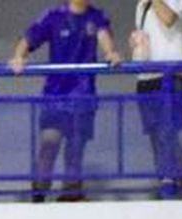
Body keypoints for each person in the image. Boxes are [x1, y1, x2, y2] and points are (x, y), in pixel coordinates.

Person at [10, 0, 123, 202]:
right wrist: (19, 56)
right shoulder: (53, 16)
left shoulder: (96, 16)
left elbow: (104, 37)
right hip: (55, 96)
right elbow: (28, 39)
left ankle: (71, 195)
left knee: (75, 148)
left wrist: (110, 53)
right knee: (49, 142)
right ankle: (38, 194)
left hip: (83, 96)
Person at [131, 0, 182, 199]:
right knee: (155, 133)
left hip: (173, 73)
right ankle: (176, 178)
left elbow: (168, 18)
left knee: (168, 130)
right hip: (147, 74)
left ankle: (171, 182)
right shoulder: (142, 4)